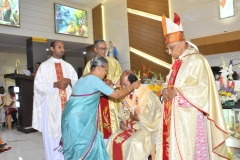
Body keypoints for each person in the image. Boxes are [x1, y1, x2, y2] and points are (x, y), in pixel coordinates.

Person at [155, 13, 229, 159]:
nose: (169, 52)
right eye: (167, 49)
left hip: (191, 121)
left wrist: (176, 93)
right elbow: (172, 83)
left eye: (171, 48)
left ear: (182, 43)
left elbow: (202, 90)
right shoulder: (177, 62)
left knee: (194, 152)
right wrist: (165, 90)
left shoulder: (197, 60)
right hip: (174, 117)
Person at [61, 57, 140, 160]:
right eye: (106, 69)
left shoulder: (84, 77)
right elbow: (116, 95)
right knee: (83, 148)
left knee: (81, 148)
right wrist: (132, 86)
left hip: (70, 117)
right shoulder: (94, 79)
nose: (106, 73)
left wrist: (115, 85)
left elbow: (96, 94)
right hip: (79, 120)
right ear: (99, 68)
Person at [32, 40, 78, 160]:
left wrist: (70, 82)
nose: (62, 49)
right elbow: (38, 86)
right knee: (51, 136)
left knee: (68, 133)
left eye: (63, 47)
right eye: (59, 47)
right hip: (51, 107)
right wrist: (55, 84)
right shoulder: (44, 66)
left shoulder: (68, 67)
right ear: (52, 49)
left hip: (67, 106)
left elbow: (77, 85)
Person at [106, 70, 162, 160]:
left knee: (134, 143)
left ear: (133, 83)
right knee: (112, 139)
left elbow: (156, 115)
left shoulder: (147, 95)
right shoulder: (125, 96)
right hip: (130, 127)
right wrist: (122, 122)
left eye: (125, 85)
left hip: (146, 129)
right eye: (121, 85)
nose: (123, 88)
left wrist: (139, 117)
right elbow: (122, 113)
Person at [83, 39, 122, 139]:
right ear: (95, 49)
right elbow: (86, 80)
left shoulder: (113, 62)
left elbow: (119, 75)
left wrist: (111, 81)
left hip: (111, 99)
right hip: (98, 100)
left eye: (105, 48)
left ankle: (114, 144)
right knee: (99, 126)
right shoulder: (90, 64)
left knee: (114, 126)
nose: (103, 51)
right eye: (101, 49)